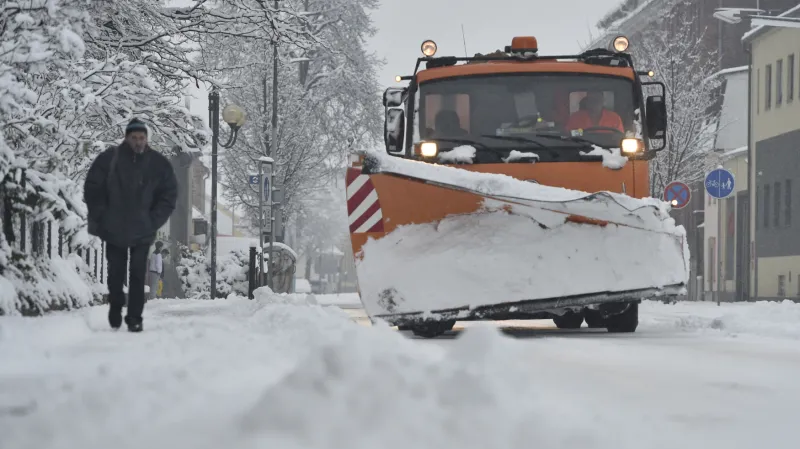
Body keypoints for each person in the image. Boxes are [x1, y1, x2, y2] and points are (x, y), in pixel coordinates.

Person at [83, 118, 178, 332]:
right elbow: (93, 188)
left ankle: (135, 317)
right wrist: (102, 215)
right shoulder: (109, 159)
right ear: (126, 138)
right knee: (115, 273)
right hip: (114, 227)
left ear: (146, 139)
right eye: (134, 137)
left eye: (141, 137)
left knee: (137, 274)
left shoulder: (157, 164)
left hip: (143, 229)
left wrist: (153, 220)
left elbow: (169, 194)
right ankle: (116, 306)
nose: (138, 141)